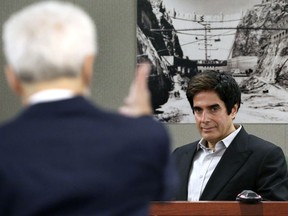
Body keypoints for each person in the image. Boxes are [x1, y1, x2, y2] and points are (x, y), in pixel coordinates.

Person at [0, 1, 178, 215]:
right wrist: (142, 123)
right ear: (88, 66)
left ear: (12, 78)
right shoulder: (144, 137)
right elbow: (164, 192)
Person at [172, 70, 288, 201]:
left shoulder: (266, 156)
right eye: (198, 110)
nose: (204, 119)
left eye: (213, 109)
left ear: (233, 110)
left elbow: (275, 212)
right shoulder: (178, 156)